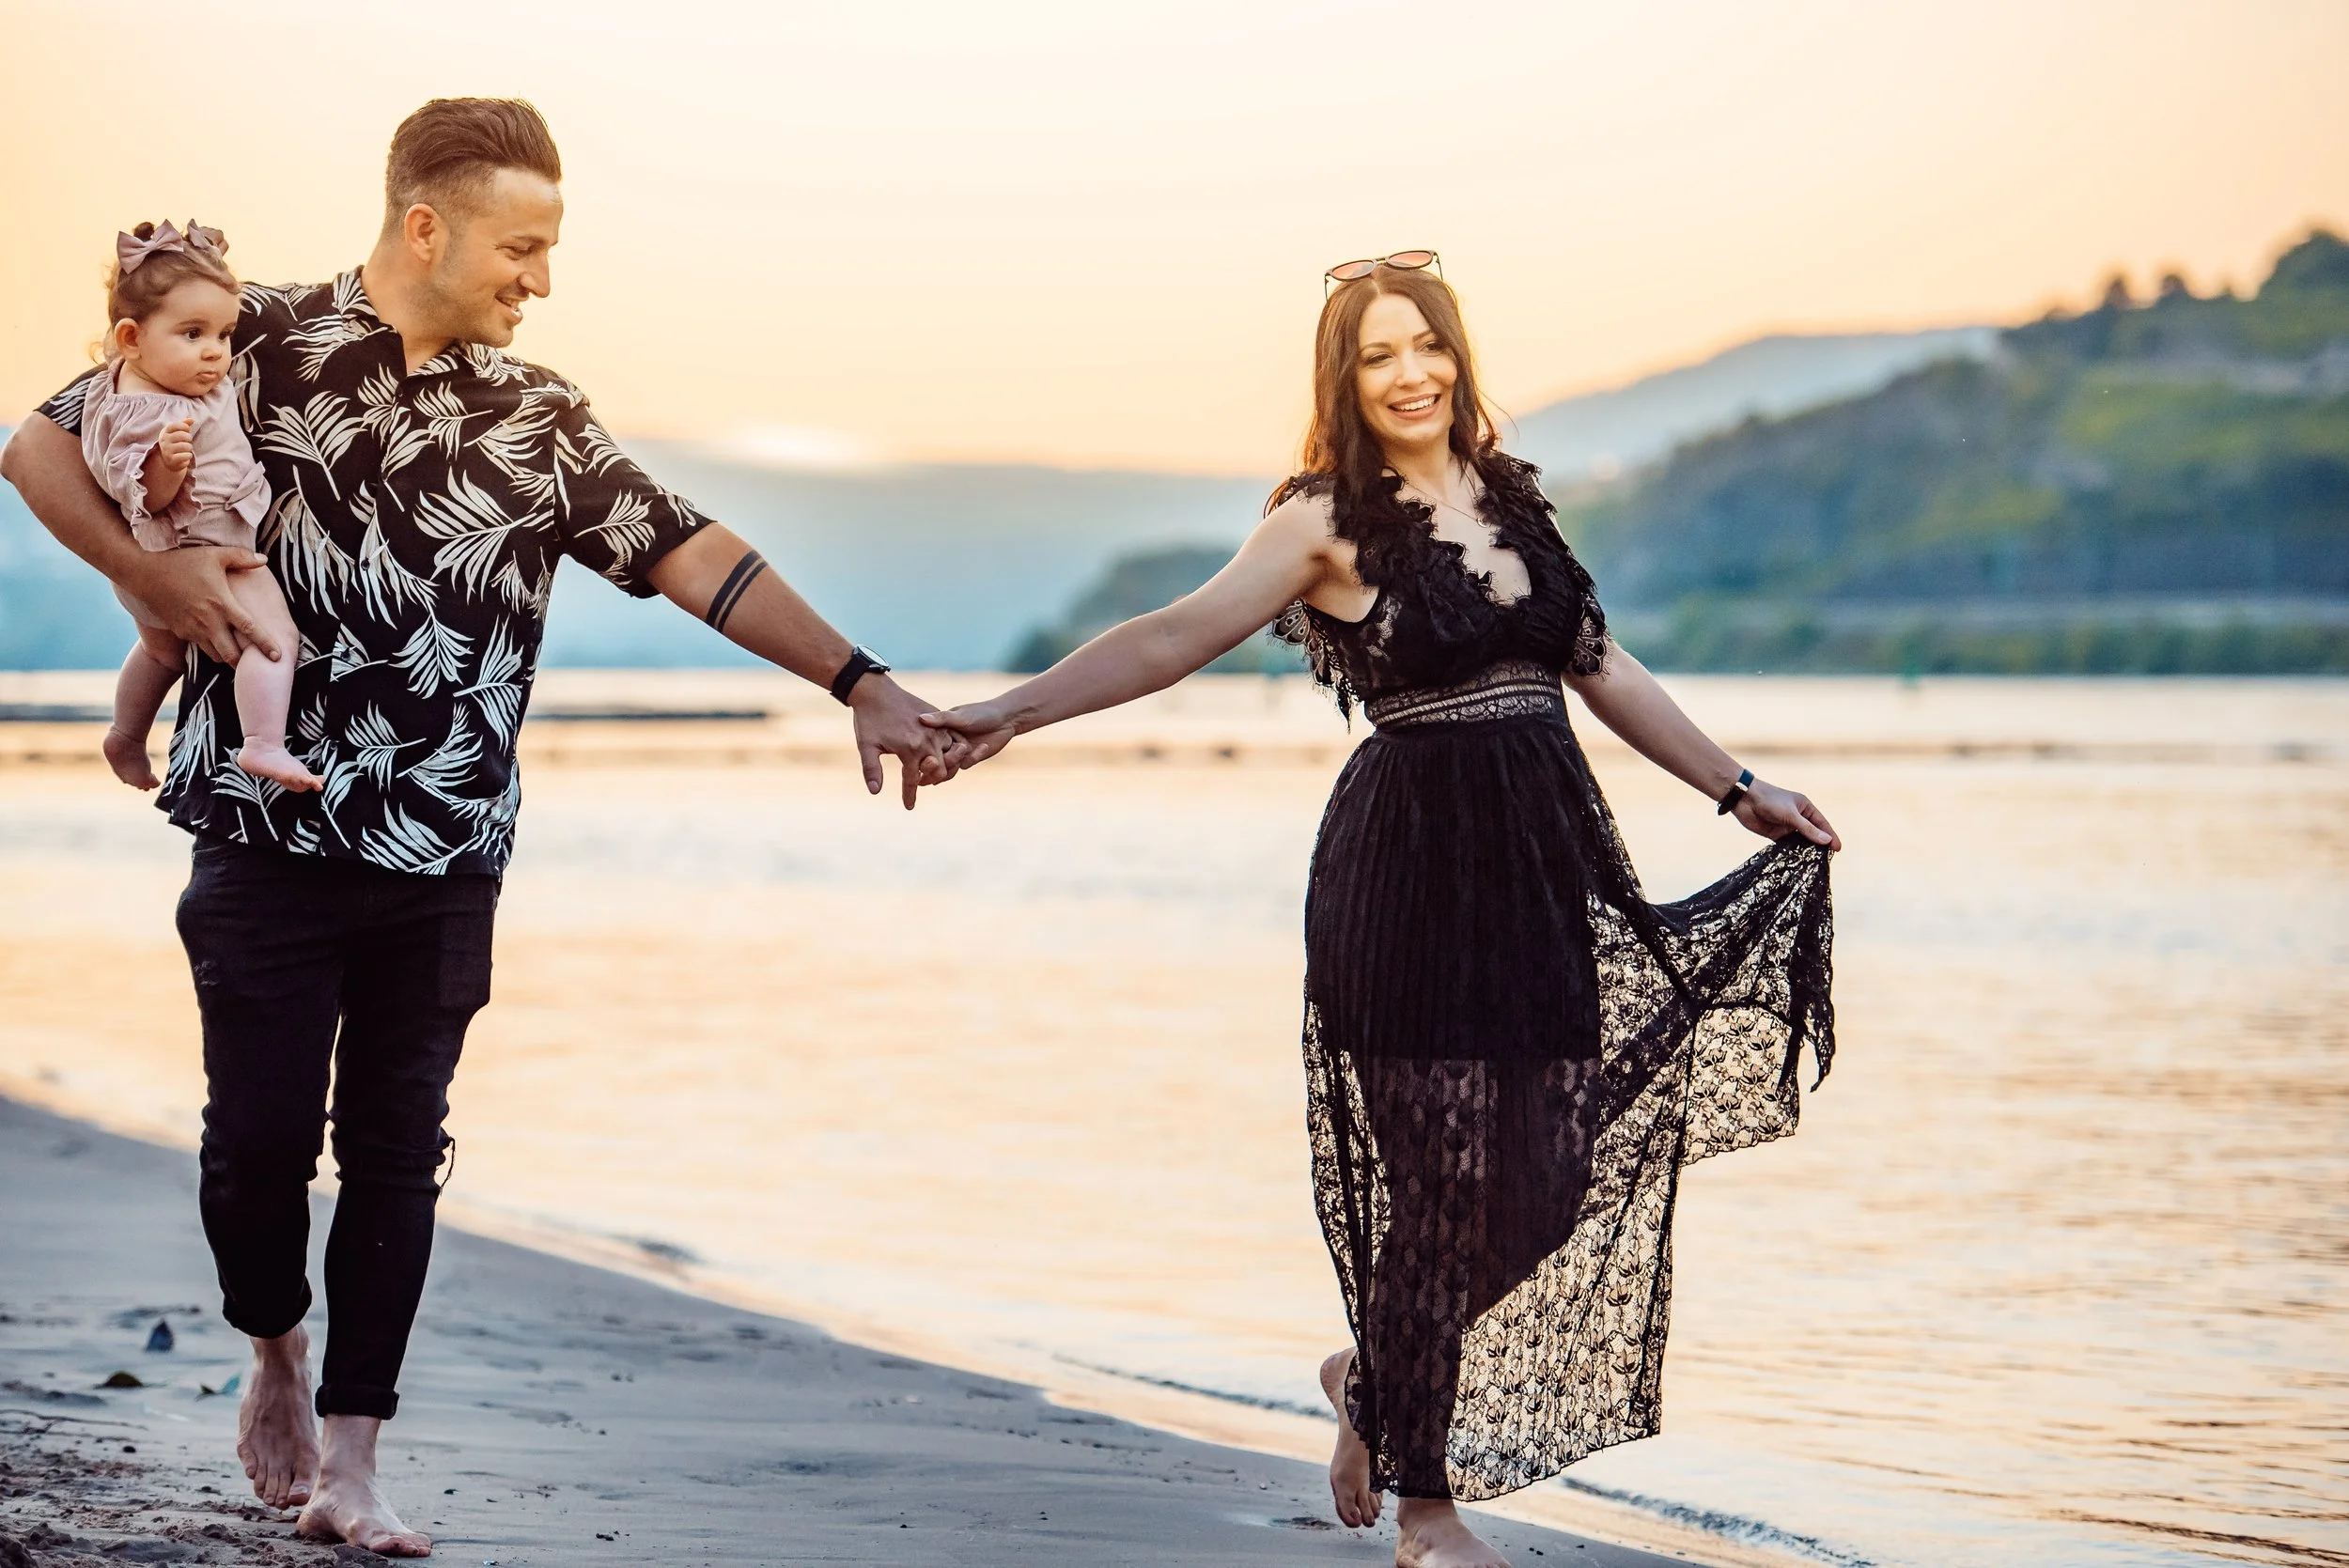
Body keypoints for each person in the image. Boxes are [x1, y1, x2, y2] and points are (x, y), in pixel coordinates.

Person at [0, 98, 953, 1559]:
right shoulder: (247, 335)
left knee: (398, 1145)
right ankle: (275, 1346)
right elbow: (37, 445)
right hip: (263, 831)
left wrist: (862, 682)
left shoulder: (541, 416)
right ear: (426, 225)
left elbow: (690, 551)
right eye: (522, 247)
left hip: (448, 846)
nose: (541, 281)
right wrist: (156, 580)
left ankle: (355, 1461)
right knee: (256, 1145)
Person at [922, 252, 1842, 1568]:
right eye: (1377, 357)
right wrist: (1008, 711)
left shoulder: (1512, 500)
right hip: (1406, 873)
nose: (1411, 375)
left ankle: (1370, 1377)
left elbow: (1601, 664)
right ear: (1342, 382)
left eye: (1427, 346)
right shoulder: (1322, 521)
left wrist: (1739, 788)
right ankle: (1426, 1510)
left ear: (1458, 355)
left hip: (1541, 872)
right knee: (1443, 1191)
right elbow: (1175, 635)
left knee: (1550, 1182)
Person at [81, 221, 317, 793]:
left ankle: (126, 734)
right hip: (205, 553)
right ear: (132, 338)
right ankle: (263, 743)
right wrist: (167, 464)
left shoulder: (127, 382)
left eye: (224, 334)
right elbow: (143, 491)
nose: (215, 351)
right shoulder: (152, 412)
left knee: (160, 653)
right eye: (192, 333)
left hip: (149, 563)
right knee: (275, 640)